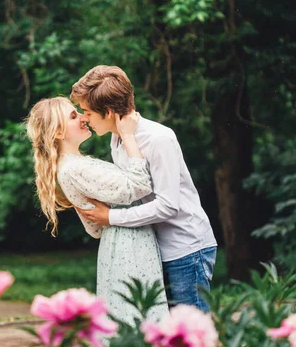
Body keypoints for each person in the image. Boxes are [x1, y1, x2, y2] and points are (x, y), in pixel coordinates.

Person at [72, 65, 218, 312]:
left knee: (191, 334)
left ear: (108, 112)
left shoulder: (158, 139)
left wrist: (111, 217)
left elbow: (168, 206)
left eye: (86, 112)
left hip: (186, 249)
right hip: (157, 248)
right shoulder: (117, 138)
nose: (84, 118)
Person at [26, 96, 168, 324]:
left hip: (118, 243)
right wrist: (128, 136)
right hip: (129, 246)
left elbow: (95, 228)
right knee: (140, 318)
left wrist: (108, 216)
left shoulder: (73, 165)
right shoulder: (76, 168)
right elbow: (139, 186)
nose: (83, 117)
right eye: (73, 116)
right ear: (59, 133)